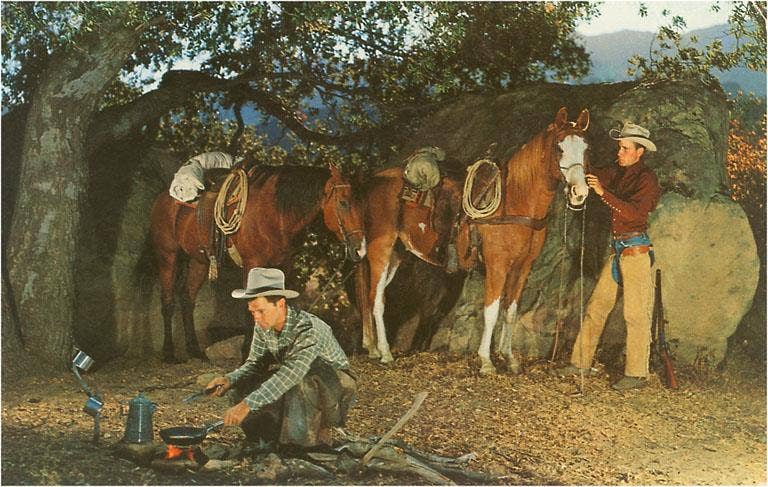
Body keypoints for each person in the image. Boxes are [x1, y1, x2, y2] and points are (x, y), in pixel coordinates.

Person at [551, 122, 661, 391]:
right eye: (619, 147)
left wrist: (602, 192)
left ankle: (636, 374)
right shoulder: (617, 171)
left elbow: (635, 214)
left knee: (635, 315)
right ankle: (580, 363)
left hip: (636, 253)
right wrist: (575, 159)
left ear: (639, 152)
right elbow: (592, 172)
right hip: (618, 252)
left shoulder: (647, 180)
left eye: (624, 148)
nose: (619, 153)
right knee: (596, 308)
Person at [205, 267, 356, 449]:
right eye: (252, 312)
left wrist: (247, 404)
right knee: (244, 384)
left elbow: (290, 374)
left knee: (304, 379)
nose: (256, 318)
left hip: (334, 386)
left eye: (261, 311)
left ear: (281, 304)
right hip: (296, 382)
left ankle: (311, 437)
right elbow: (254, 364)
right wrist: (230, 379)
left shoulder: (308, 329)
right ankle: (272, 437)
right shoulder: (263, 325)